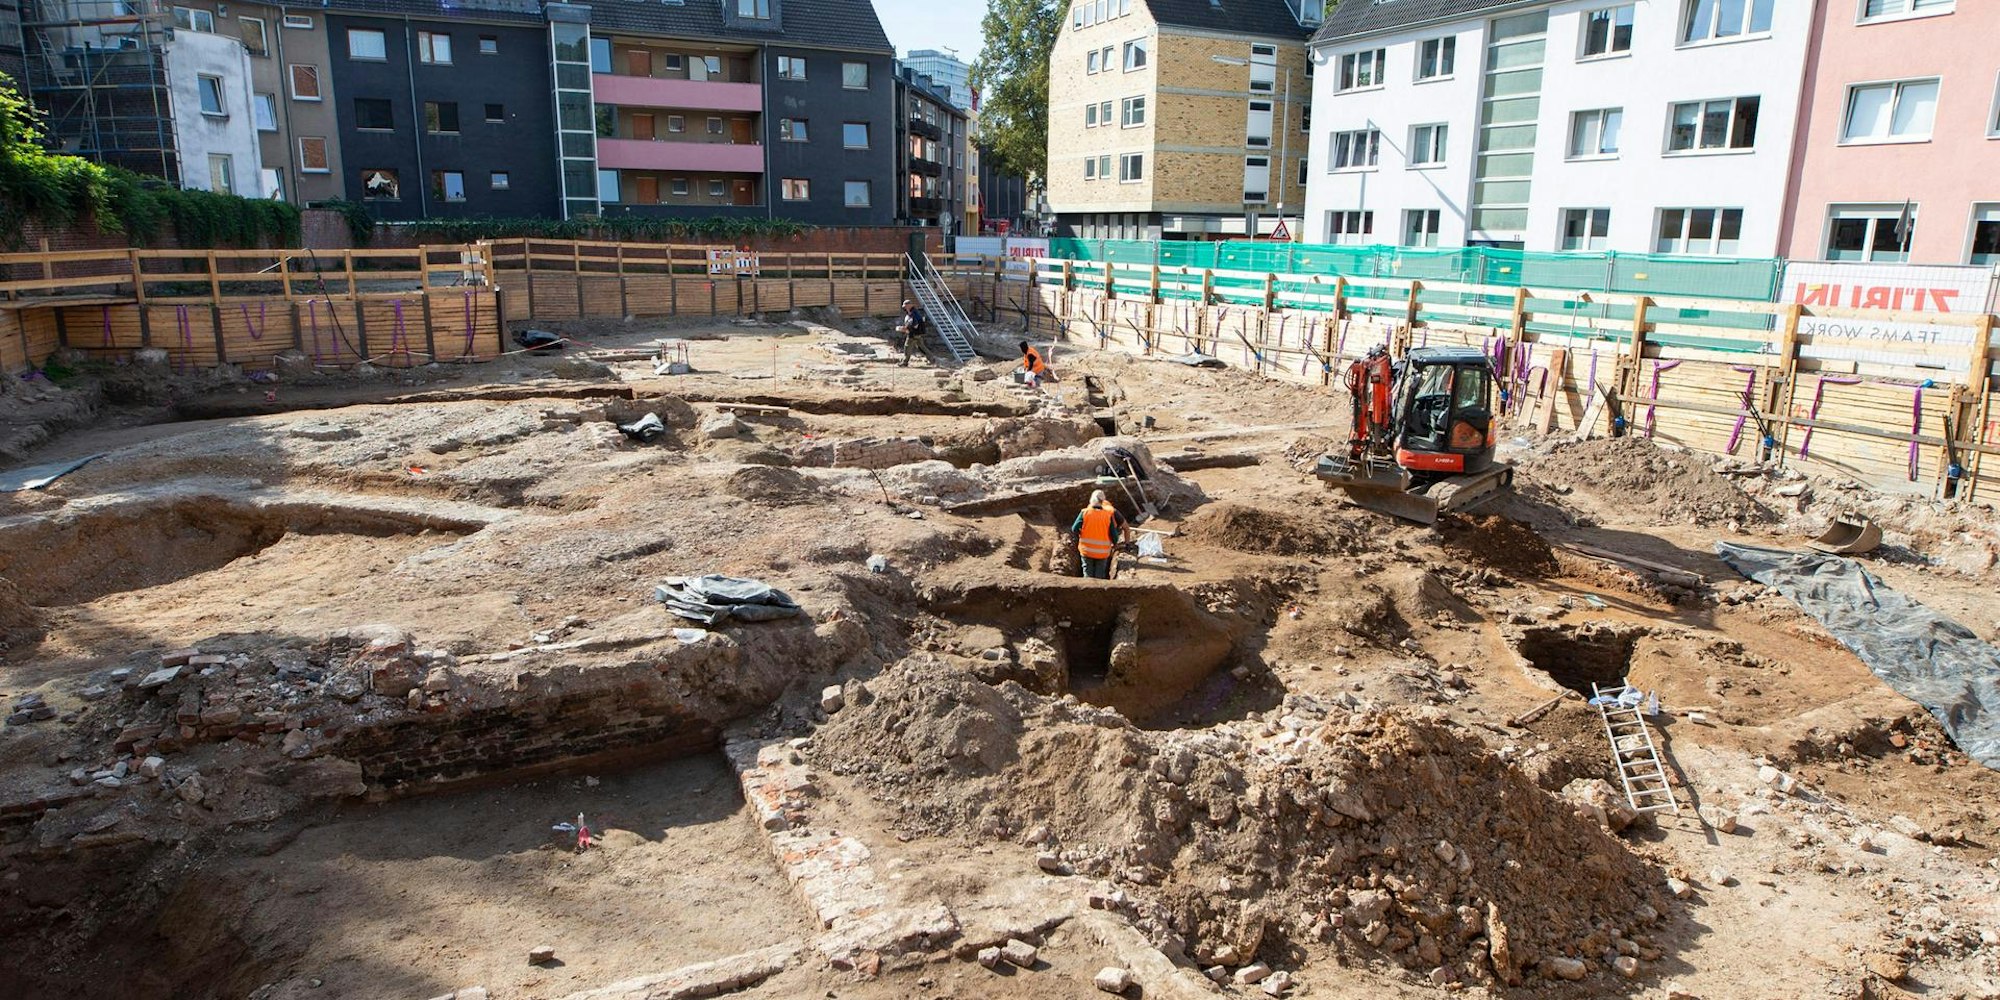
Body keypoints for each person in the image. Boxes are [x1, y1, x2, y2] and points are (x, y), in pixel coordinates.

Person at [1070, 489, 1127, 580]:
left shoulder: (1085, 512)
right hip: (1102, 552)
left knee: (1087, 574)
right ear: (1102, 501)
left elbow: (1074, 528)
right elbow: (1114, 535)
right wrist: (1115, 544)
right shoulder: (1107, 515)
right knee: (1099, 576)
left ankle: (1086, 588)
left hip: (1086, 550)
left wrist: (1082, 533)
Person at [896, 300, 928, 366]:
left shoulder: (913, 314)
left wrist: (905, 329)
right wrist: (905, 328)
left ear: (909, 305)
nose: (905, 308)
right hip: (917, 333)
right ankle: (932, 359)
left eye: (906, 306)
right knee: (921, 347)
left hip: (913, 334)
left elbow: (915, 325)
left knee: (907, 347)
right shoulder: (912, 313)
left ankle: (904, 362)